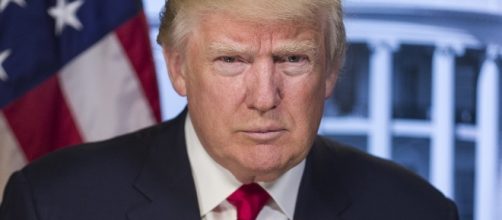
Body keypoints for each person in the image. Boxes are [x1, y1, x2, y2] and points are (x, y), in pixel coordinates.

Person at [0, 0, 458, 219]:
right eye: (231, 60)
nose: (263, 97)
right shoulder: (53, 205)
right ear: (179, 69)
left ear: (332, 72)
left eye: (292, 59)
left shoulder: (416, 212)